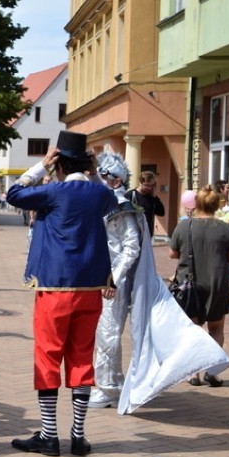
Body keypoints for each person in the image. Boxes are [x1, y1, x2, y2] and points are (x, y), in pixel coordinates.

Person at [6, 132, 117, 457]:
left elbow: (14, 193)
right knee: (82, 358)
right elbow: (113, 197)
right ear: (87, 163)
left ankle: (49, 436)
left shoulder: (52, 191)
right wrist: (94, 171)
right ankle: (78, 437)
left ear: (59, 165)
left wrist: (41, 165)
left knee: (48, 357)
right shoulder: (100, 194)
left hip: (55, 288)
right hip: (90, 290)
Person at [169, 185, 229, 387]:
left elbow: (172, 253)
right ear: (216, 205)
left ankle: (193, 374)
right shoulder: (225, 228)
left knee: (193, 328)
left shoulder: (184, 226)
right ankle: (211, 371)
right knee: (216, 328)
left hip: (190, 284)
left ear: (196, 204)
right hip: (217, 282)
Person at [88, 151, 144, 409]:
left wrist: (115, 278)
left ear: (115, 180)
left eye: (102, 176)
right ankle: (110, 384)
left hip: (113, 283)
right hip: (99, 279)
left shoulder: (122, 209)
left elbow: (131, 247)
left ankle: (109, 388)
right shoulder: (101, 205)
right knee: (101, 334)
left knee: (108, 334)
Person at [124, 171, 165, 237]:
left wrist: (155, 197)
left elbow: (161, 212)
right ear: (140, 183)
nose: (149, 188)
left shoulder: (151, 197)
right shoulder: (130, 195)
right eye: (147, 185)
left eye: (151, 186)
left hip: (147, 235)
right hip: (133, 235)